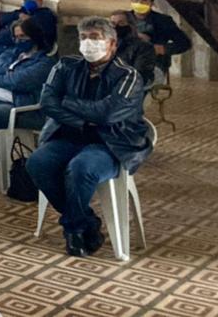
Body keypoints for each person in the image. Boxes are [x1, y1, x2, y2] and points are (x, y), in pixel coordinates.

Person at [27, 17, 152, 257]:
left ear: (112, 44)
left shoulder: (128, 76)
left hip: (112, 142)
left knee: (81, 168)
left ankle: (73, 231)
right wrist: (82, 121)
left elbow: (108, 114)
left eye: (95, 38)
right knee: (38, 163)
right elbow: (47, 102)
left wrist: (67, 101)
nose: (88, 43)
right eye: (83, 37)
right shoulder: (65, 66)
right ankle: (86, 221)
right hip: (69, 135)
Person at [128, 0, 191, 72]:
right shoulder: (123, 19)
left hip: (154, 66)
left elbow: (184, 43)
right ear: (131, 0)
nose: (139, 2)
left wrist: (160, 49)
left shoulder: (163, 21)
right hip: (126, 65)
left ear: (151, 3)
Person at [109, 10, 157, 84]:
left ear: (131, 25)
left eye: (121, 23)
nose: (116, 27)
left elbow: (139, 75)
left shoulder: (144, 47)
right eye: (113, 23)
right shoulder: (106, 44)